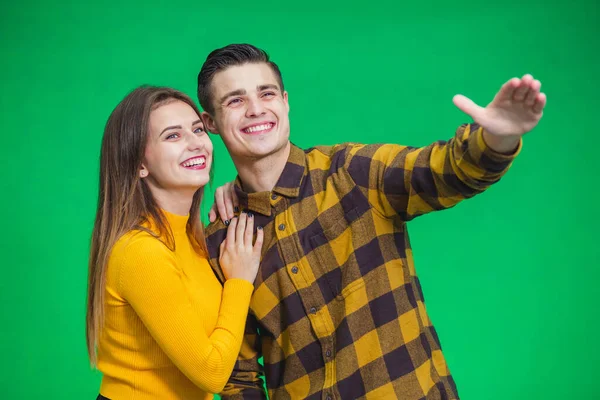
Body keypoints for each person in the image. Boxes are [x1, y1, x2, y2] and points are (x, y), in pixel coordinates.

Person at [198, 44, 546, 399]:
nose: (256, 109)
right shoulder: (220, 243)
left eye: (266, 93)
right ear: (210, 122)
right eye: (235, 101)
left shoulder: (353, 173)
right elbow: (236, 376)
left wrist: (498, 138)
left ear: (285, 101)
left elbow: (443, 171)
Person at [85, 85, 264, 399]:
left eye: (197, 130)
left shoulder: (191, 238)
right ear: (139, 164)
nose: (196, 144)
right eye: (172, 136)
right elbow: (212, 373)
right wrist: (238, 281)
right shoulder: (142, 251)